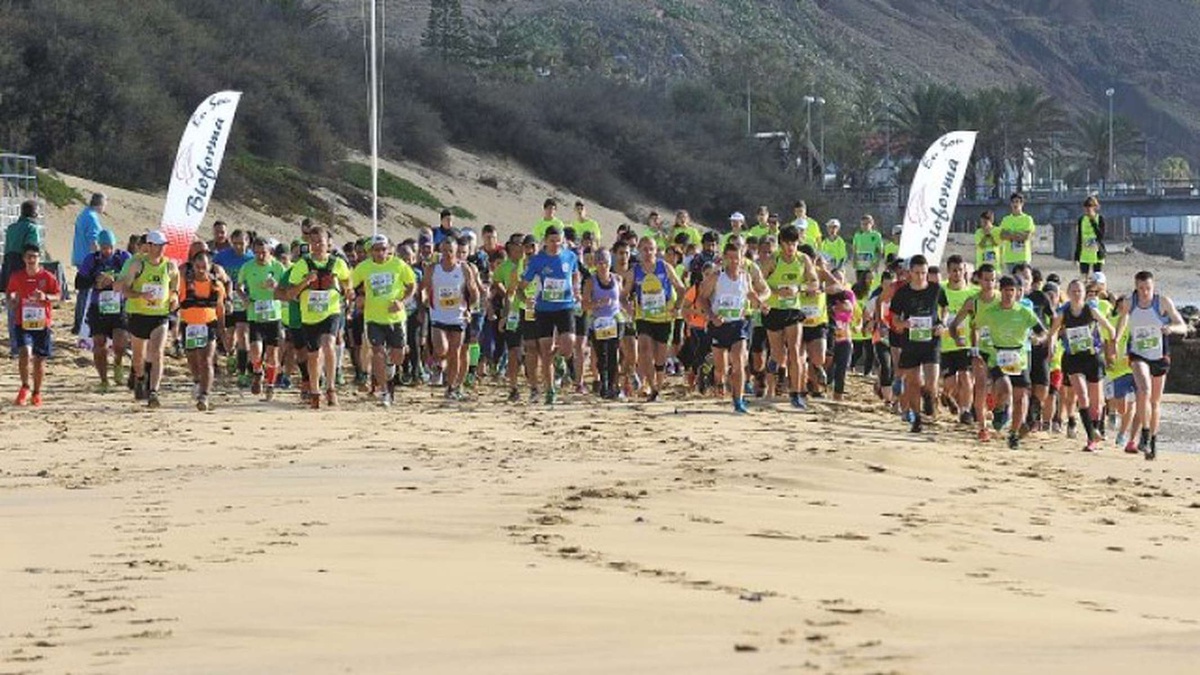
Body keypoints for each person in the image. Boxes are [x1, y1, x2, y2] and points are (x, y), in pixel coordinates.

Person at [1113, 271, 1187, 459]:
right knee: (1143, 390)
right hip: (1138, 355)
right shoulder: (1130, 302)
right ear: (1135, 287)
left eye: (1148, 288)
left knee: (1154, 402)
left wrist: (1171, 328)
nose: (1145, 293)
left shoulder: (1162, 302)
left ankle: (1152, 440)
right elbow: (1123, 320)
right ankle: (1144, 434)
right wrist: (1116, 340)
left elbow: (1182, 325)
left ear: (1153, 287)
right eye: (1141, 288)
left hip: (1160, 355)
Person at [973, 275, 1048, 449]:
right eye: (1006, 290)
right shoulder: (991, 312)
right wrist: (977, 350)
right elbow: (976, 327)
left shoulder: (1024, 312)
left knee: (1021, 398)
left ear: (1017, 293)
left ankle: (1013, 434)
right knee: (1005, 389)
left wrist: (1038, 339)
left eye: (1012, 291)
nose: (1009, 294)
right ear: (1001, 291)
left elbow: (1042, 331)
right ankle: (1000, 408)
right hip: (997, 356)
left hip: (1018, 359)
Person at [286, 226, 353, 409]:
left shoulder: (337, 263)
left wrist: (348, 291)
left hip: (331, 311)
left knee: (329, 344)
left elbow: (348, 280)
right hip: (309, 316)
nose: (317, 246)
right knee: (314, 356)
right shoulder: (302, 265)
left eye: (320, 242)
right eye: (313, 243)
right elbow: (291, 293)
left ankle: (331, 388)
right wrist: (305, 282)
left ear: (328, 244)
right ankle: (315, 391)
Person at [699, 242, 770, 413]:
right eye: (729, 258)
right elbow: (702, 298)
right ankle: (718, 380)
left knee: (739, 362)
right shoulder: (716, 276)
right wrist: (712, 316)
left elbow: (750, 293)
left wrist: (760, 304)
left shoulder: (745, 276)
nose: (733, 262)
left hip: (739, 323)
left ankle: (738, 401)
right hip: (720, 325)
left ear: (741, 259)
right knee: (721, 367)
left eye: (736, 258)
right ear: (724, 258)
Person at [1047, 279, 1115, 452]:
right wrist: (1052, 345)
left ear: (1084, 294)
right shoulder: (1063, 312)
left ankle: (1095, 429)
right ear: (1068, 293)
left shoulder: (1090, 310)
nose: (1077, 294)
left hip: (1092, 357)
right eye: (1073, 291)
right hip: (1073, 357)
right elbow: (1052, 332)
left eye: (1079, 291)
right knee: (1082, 396)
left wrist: (1110, 347)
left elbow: (1110, 328)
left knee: (1096, 402)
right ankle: (1091, 436)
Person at [116, 230, 180, 408]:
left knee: (158, 351)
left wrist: (174, 297)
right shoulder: (136, 264)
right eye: (157, 246)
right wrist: (140, 295)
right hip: (138, 314)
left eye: (163, 246)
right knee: (138, 357)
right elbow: (125, 289)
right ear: (149, 246)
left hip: (160, 315)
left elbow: (175, 285)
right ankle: (140, 378)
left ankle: (154, 392)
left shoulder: (170, 266)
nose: (161, 249)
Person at [352, 234, 417, 407]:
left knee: (398, 356)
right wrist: (357, 296)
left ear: (389, 250)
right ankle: (384, 391)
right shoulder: (364, 267)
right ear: (370, 252)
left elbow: (412, 285)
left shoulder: (398, 264)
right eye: (377, 250)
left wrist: (402, 302)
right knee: (377, 352)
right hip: (373, 318)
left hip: (396, 318)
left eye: (384, 249)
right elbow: (350, 284)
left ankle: (390, 368)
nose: (381, 253)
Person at [518, 226, 580, 405]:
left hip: (565, 306)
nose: (555, 244)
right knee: (545, 350)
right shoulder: (537, 260)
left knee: (568, 345)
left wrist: (576, 289)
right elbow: (521, 287)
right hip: (544, 309)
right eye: (552, 241)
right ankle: (550, 389)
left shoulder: (570, 256)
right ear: (545, 241)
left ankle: (562, 361)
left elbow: (575, 274)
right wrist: (526, 299)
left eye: (558, 240)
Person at [759, 226, 818, 408]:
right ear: (781, 243)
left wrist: (798, 289)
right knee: (778, 355)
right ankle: (772, 365)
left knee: (795, 350)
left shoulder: (803, 259)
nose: (791, 247)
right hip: (774, 309)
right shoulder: (773, 260)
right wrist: (777, 290)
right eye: (787, 243)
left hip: (793, 309)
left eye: (794, 243)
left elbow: (814, 282)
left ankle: (796, 393)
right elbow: (758, 282)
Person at [889, 254, 948, 432]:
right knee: (913, 381)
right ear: (910, 273)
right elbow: (894, 317)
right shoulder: (903, 292)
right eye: (917, 273)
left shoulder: (936, 289)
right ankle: (917, 418)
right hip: (911, 341)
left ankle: (929, 397)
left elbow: (945, 308)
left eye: (924, 273)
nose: (921, 276)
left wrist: (942, 323)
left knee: (931, 381)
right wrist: (902, 324)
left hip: (931, 340)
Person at [624, 235, 685, 401]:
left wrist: (677, 307)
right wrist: (628, 307)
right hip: (643, 317)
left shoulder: (664, 267)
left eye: (651, 249)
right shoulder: (634, 271)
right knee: (644, 349)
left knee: (660, 356)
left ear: (656, 251)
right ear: (638, 251)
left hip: (663, 317)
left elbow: (681, 288)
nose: (648, 252)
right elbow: (623, 295)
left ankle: (658, 385)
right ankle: (651, 387)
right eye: (644, 249)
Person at [75, 229, 131, 391]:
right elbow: (79, 282)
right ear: (99, 246)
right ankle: (104, 380)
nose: (107, 251)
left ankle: (118, 362)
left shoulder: (123, 258)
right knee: (99, 344)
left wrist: (116, 280)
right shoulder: (92, 259)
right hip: (98, 306)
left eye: (110, 247)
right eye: (104, 247)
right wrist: (95, 281)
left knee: (120, 342)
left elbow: (133, 278)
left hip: (118, 305)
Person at [7, 245, 60, 405]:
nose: (31, 260)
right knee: (24, 353)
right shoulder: (17, 276)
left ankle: (36, 392)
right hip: (22, 321)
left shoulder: (48, 277)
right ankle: (24, 387)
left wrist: (45, 296)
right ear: (24, 259)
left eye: (34, 257)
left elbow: (58, 296)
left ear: (39, 258)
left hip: (42, 323)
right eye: (28, 257)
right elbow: (10, 294)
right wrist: (12, 300)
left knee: (39, 360)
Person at [238, 238, 288, 400]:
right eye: (257, 253)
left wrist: (277, 288)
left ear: (270, 252)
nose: (260, 256)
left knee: (273, 354)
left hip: (274, 315)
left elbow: (287, 289)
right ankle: (258, 373)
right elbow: (238, 286)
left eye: (263, 253)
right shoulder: (247, 267)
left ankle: (271, 385)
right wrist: (244, 297)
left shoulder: (278, 267)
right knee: (256, 350)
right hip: (255, 314)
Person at [178, 249, 225, 411]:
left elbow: (220, 309)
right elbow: (176, 301)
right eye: (198, 265)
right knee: (192, 358)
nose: (200, 268)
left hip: (208, 325)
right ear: (193, 266)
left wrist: (222, 331)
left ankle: (204, 395)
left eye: (204, 265)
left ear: (210, 266)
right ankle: (197, 380)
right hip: (189, 326)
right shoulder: (184, 283)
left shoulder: (217, 286)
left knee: (206, 360)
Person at [213, 230, 255, 385]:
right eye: (235, 243)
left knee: (243, 334)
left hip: (244, 301)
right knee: (229, 335)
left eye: (241, 243)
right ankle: (231, 354)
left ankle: (243, 371)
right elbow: (213, 269)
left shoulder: (252, 258)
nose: (238, 247)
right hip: (227, 300)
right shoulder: (222, 256)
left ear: (247, 242)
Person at [938, 255, 975, 423]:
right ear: (948, 271)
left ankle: (966, 411)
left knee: (966, 377)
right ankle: (945, 395)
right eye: (954, 270)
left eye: (960, 270)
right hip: (946, 344)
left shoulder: (972, 292)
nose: (957, 273)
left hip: (965, 343)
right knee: (950, 383)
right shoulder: (940, 290)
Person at [581, 249, 623, 399]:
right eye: (599, 263)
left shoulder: (617, 279)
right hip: (598, 322)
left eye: (605, 262)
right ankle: (604, 384)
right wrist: (597, 303)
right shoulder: (591, 282)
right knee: (601, 354)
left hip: (615, 320)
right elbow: (584, 305)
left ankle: (613, 386)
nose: (603, 266)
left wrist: (629, 310)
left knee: (614, 354)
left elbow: (622, 299)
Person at [70, 192, 106, 337]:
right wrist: (99, 259)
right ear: (101, 204)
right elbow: (93, 241)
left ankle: (78, 323)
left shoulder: (83, 214)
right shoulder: (92, 218)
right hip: (87, 259)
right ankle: (80, 323)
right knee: (86, 292)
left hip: (79, 256)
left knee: (83, 293)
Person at [999, 193, 1035, 273]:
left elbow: (1027, 236)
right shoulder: (1006, 219)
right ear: (1010, 204)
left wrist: (1010, 234)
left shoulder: (1027, 219)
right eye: (1013, 202)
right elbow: (1002, 235)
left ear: (1022, 204)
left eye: (1017, 202)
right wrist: (1018, 234)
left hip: (1023, 257)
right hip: (1010, 258)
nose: (1015, 204)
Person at [1074, 196, 1106, 276]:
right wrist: (1077, 255)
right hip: (1084, 253)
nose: (1088, 209)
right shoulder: (1081, 219)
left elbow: (1100, 236)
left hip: (1097, 252)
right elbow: (1079, 238)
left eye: (1090, 207)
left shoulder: (1100, 218)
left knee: (1097, 277)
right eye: (1086, 207)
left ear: (1095, 207)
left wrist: (1092, 221)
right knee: (1084, 277)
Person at [851, 214, 883, 284]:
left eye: (866, 224)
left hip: (870, 267)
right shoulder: (857, 235)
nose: (864, 226)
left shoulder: (876, 235)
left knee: (870, 285)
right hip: (860, 267)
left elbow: (880, 251)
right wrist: (853, 260)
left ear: (872, 223)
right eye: (862, 224)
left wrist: (877, 263)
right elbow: (854, 249)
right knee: (860, 286)